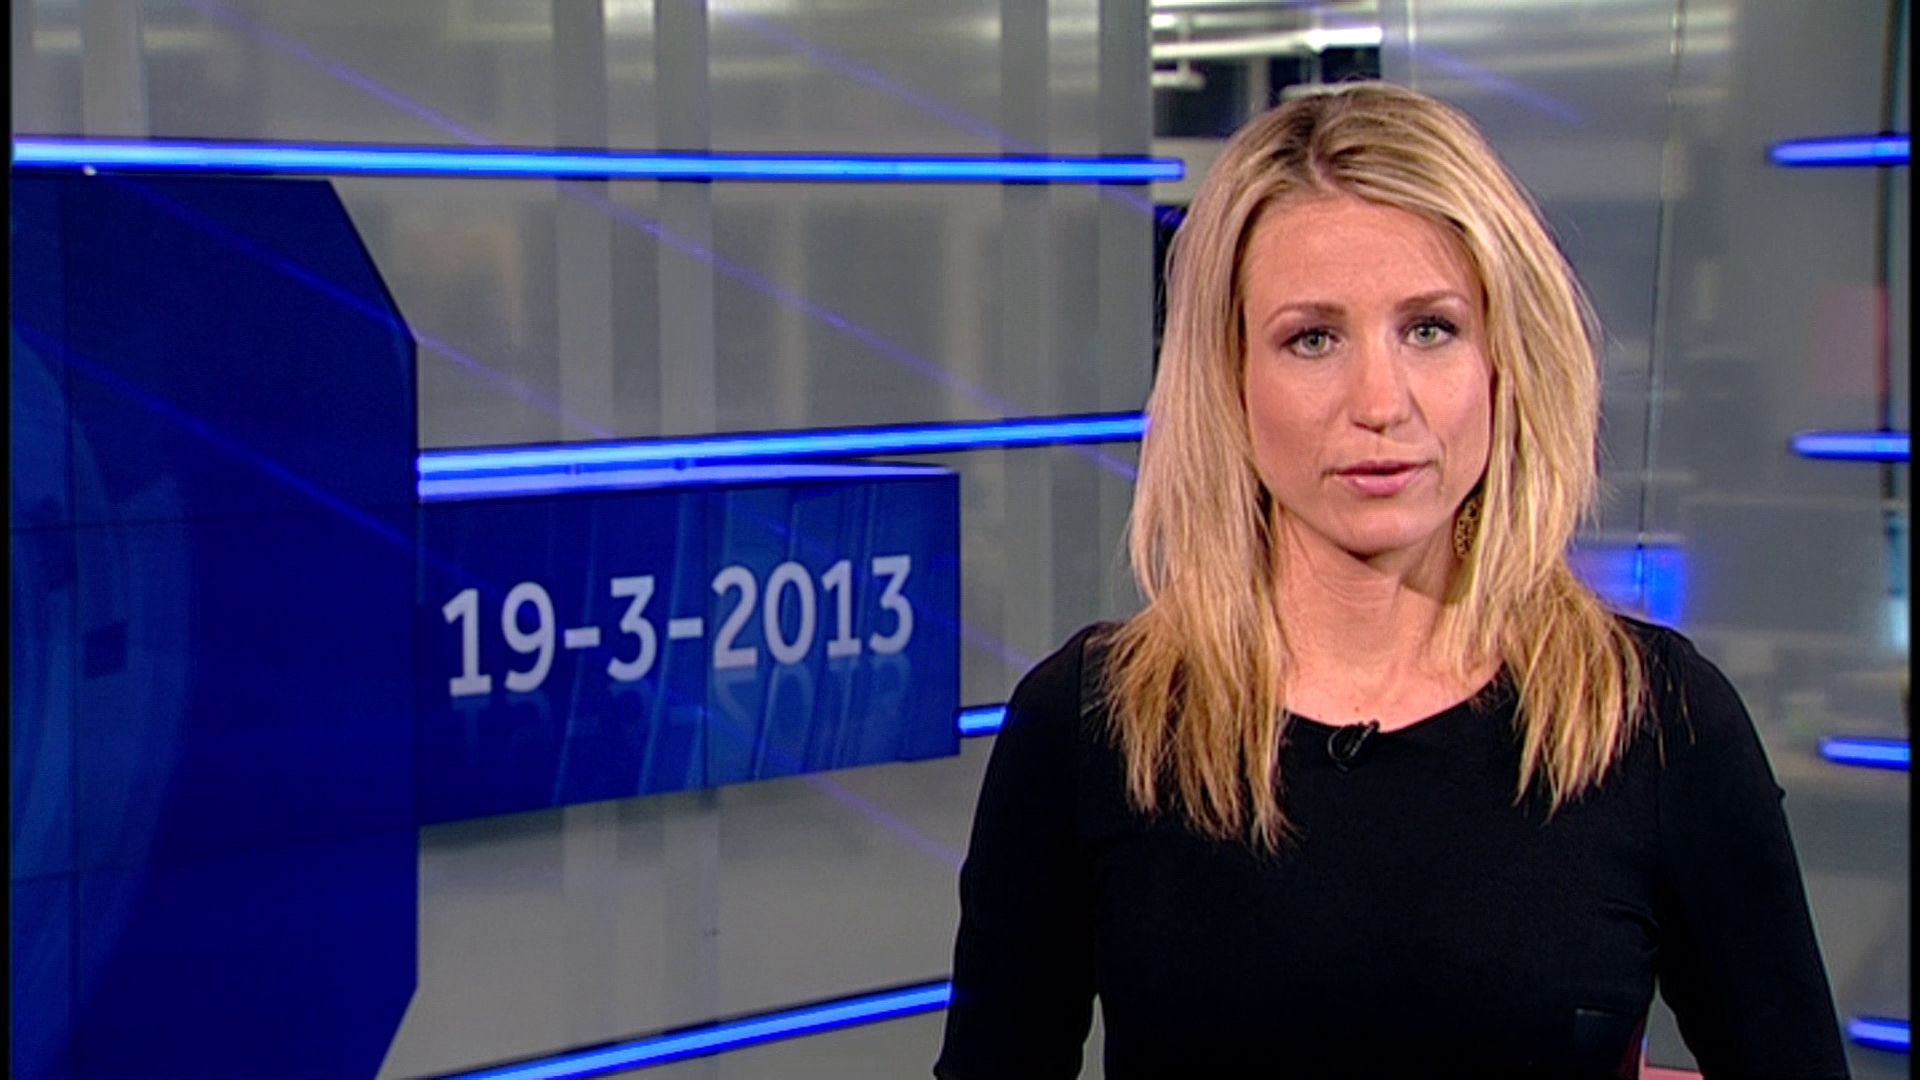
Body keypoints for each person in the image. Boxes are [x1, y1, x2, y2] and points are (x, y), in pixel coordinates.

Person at [934, 82, 1850, 1080]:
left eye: (1430, 329)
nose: (1380, 401)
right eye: (1312, 338)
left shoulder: (1657, 724)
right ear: (1229, 378)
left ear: (1505, 360)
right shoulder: (1089, 728)